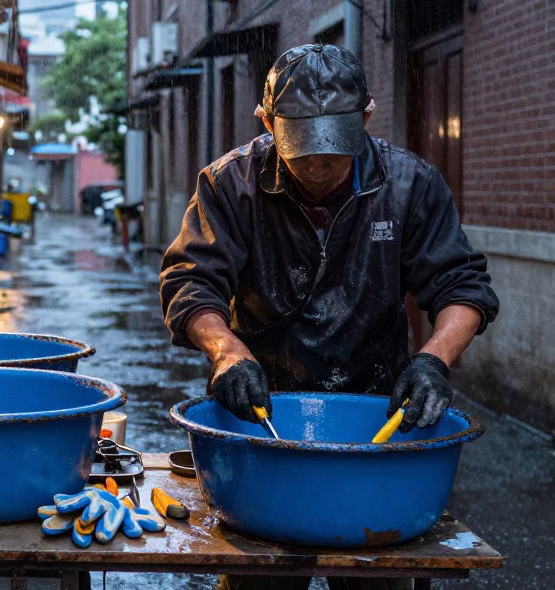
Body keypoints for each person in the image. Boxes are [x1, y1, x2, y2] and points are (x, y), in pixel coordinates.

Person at [159, 44, 499, 590]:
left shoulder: (411, 184)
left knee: (374, 573)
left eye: (335, 151)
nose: (319, 167)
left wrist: (434, 361)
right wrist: (225, 351)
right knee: (259, 572)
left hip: (376, 422)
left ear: (366, 116)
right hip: (261, 414)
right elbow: (190, 282)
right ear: (267, 121)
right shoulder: (230, 185)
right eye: (303, 151)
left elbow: (461, 286)